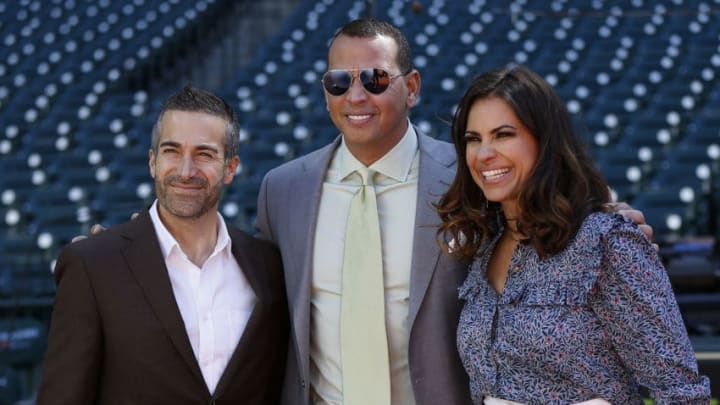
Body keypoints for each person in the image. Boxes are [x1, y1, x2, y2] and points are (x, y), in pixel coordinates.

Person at [255, 19, 655, 405]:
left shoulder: (474, 174)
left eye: (375, 79)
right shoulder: (283, 189)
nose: (355, 96)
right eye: (339, 81)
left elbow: (550, 207)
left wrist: (605, 217)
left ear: (411, 87)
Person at [435, 65, 711, 404]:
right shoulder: (483, 246)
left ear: (544, 142)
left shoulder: (605, 242)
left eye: (503, 134)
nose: (484, 153)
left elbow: (680, 391)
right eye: (473, 139)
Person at [37, 86, 289, 405]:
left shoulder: (267, 266)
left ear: (230, 168)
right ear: (153, 162)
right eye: (172, 151)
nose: (186, 171)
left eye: (204, 153)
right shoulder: (93, 265)